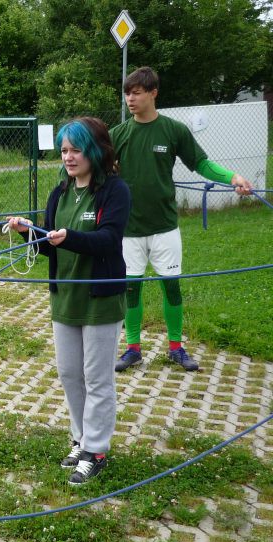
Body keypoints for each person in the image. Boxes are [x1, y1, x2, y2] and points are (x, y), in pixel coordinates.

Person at [7, 117, 130, 485]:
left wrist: (70, 237)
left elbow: (109, 240)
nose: (69, 157)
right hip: (65, 299)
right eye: (64, 150)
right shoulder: (59, 193)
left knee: (97, 378)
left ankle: (96, 450)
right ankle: (81, 438)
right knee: (70, 374)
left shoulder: (114, 191)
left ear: (95, 151)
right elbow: (51, 246)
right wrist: (29, 232)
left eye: (76, 150)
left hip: (100, 300)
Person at [111, 66, 253, 372]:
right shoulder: (118, 134)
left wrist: (234, 178)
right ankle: (133, 349)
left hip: (165, 227)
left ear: (153, 93)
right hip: (128, 228)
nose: (130, 99)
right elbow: (95, 166)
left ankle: (176, 348)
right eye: (127, 93)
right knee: (130, 289)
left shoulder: (174, 130)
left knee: (171, 287)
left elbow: (201, 163)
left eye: (136, 93)